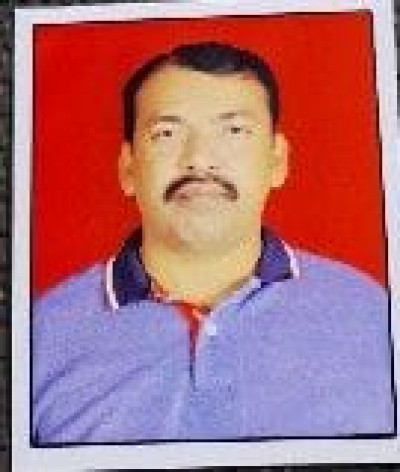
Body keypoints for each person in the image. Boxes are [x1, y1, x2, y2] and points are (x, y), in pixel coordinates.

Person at [32, 42, 395, 444]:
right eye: (166, 133)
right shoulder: (38, 336)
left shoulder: (373, 317)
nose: (200, 159)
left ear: (277, 161)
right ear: (128, 168)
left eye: (234, 131)